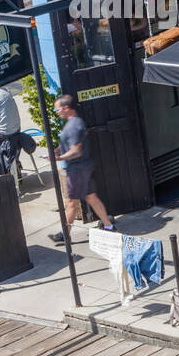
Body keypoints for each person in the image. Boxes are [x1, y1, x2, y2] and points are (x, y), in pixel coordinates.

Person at [48, 94, 114, 244]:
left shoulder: (72, 126)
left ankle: (65, 234)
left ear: (66, 108)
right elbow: (71, 143)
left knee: (71, 203)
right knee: (91, 197)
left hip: (77, 170)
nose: (56, 112)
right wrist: (58, 150)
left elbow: (76, 151)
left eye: (57, 109)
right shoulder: (75, 122)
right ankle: (109, 227)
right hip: (84, 167)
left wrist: (59, 158)